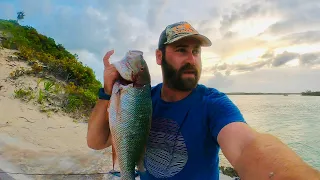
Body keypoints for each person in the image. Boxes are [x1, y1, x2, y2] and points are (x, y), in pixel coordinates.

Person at [87, 21, 320, 180]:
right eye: (181, 50)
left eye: (196, 51)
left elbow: (247, 146)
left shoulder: (213, 104)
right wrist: (107, 93)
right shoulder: (142, 101)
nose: (191, 59)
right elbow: (97, 142)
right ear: (159, 57)